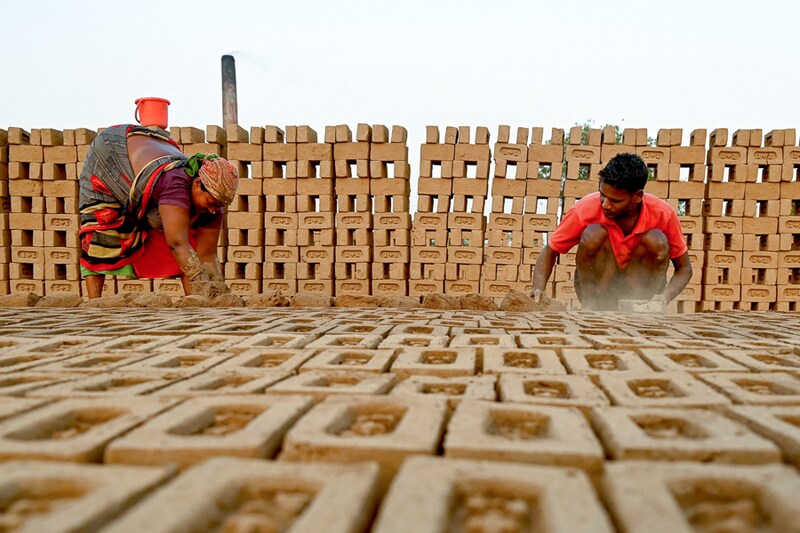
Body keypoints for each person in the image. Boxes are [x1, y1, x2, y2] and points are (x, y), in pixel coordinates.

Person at [79, 124, 239, 298]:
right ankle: (94, 302)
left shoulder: (214, 204)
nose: (212, 209)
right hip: (112, 152)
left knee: (189, 238)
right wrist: (202, 284)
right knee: (101, 225)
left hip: (153, 149)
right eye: (210, 202)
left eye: (218, 206)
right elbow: (177, 244)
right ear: (198, 183)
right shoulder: (174, 184)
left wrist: (218, 289)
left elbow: (207, 253)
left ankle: (195, 301)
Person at [530, 153, 692, 311]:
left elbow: (685, 268)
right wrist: (538, 290)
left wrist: (664, 298)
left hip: (641, 290)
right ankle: (590, 306)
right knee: (593, 233)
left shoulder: (663, 214)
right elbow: (549, 252)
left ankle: (643, 306)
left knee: (656, 239)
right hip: (597, 289)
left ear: (637, 197)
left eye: (615, 200)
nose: (605, 205)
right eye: (602, 195)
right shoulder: (584, 209)